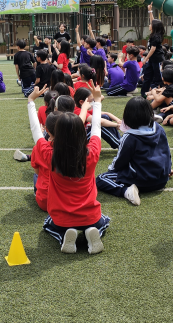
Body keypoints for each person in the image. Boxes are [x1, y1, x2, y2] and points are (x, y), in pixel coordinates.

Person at [43, 85, 110, 254]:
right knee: (104, 221)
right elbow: (96, 126)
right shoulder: (92, 152)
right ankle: (92, 233)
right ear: (82, 132)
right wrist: (96, 102)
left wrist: (30, 102)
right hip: (90, 215)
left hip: (62, 217)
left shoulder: (50, 155)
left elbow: (36, 131)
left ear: (54, 133)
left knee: (49, 224)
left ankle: (65, 235)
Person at [96, 97, 172, 206]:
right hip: (162, 180)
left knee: (101, 179)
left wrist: (111, 171)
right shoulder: (159, 128)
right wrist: (167, 169)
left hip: (141, 182)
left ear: (128, 116)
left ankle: (126, 191)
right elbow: (166, 152)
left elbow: (119, 162)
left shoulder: (130, 137)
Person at [141, 19, 166, 94]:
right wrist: (150, 11)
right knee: (147, 76)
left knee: (159, 78)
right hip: (152, 60)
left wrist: (146, 58)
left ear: (154, 26)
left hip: (157, 59)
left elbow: (153, 49)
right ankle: (143, 94)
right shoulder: (153, 34)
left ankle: (162, 94)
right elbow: (153, 20)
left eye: (151, 24)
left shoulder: (156, 36)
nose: (149, 25)